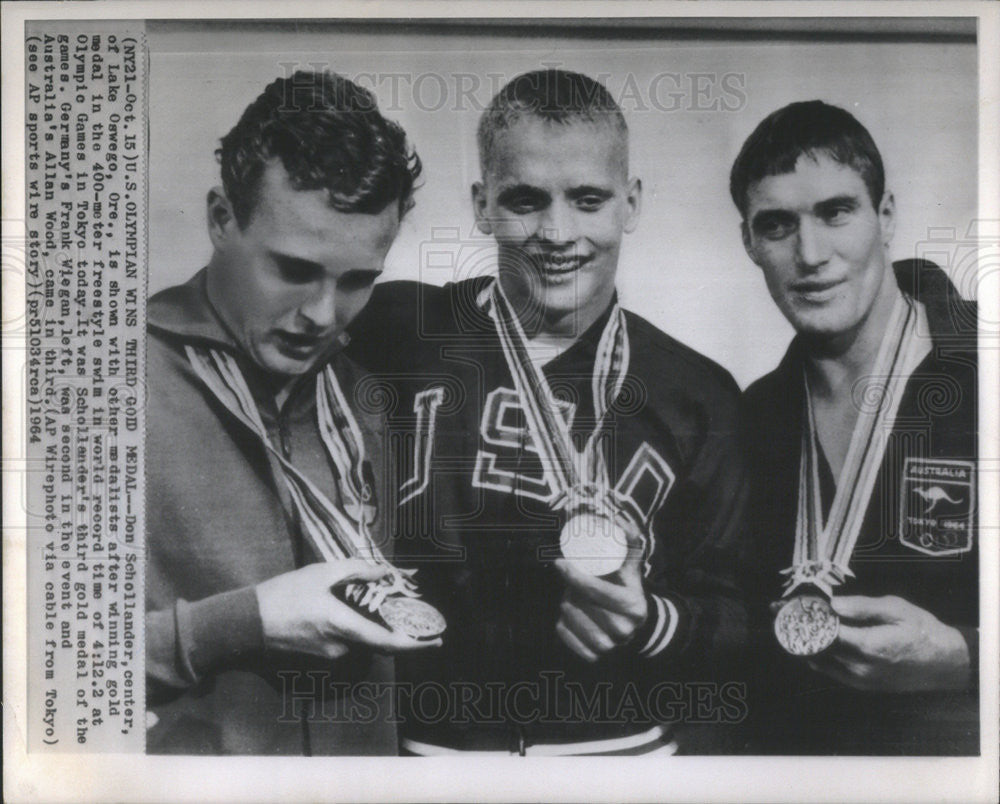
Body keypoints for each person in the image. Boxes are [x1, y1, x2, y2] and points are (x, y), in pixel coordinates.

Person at [349, 69, 749, 755]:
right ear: (482, 205)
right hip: (426, 754)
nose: (557, 233)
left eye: (588, 199)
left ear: (632, 203)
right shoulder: (395, 328)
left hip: (620, 757)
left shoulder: (699, 393)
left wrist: (651, 619)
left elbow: (746, 611)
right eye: (526, 201)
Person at [145, 70, 440, 755]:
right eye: (294, 269)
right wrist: (249, 622)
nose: (323, 316)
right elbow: (35, 666)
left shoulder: (360, 399)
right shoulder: (105, 391)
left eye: (358, 280)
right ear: (222, 219)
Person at [733, 101, 978, 754]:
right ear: (749, 242)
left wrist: (966, 656)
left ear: (886, 216)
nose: (810, 254)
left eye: (836, 212)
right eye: (778, 224)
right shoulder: (748, 422)